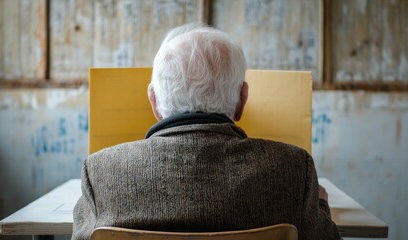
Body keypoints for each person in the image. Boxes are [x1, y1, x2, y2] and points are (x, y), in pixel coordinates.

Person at [72, 23, 341, 240]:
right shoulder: (294, 169)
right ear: (242, 100)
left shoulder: (100, 172)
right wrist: (319, 206)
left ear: (154, 102)